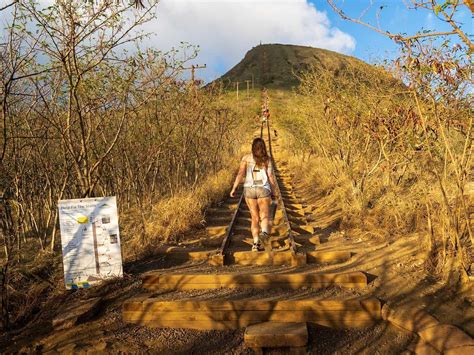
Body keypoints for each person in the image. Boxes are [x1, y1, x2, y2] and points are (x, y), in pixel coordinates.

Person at [230, 138, 277, 251]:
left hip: (249, 190)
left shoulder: (246, 158)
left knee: (254, 218)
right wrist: (274, 192)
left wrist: (234, 187)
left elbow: (240, 174)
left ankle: (255, 244)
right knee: (264, 215)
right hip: (263, 189)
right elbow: (270, 177)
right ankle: (264, 233)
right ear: (263, 147)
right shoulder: (267, 159)